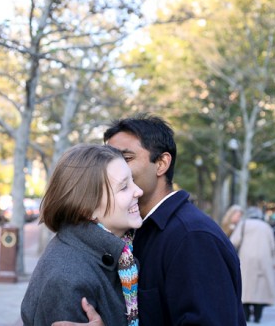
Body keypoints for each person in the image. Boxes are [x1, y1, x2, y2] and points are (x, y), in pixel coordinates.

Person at [54, 114, 246, 325]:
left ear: (161, 163)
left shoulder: (192, 238)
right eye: (108, 161)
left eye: (125, 159)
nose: (113, 169)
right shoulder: (132, 230)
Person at [20, 144, 144, 326]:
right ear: (87, 209)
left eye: (133, 180)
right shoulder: (68, 279)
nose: (138, 191)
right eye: (124, 187)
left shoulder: (121, 251)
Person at [230, 206, 275, 323]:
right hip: (263, 260)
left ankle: (246, 316)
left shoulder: (244, 224)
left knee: (246, 288)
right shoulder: (267, 226)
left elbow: (234, 241)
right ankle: (257, 316)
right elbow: (273, 246)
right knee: (260, 289)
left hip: (246, 259)